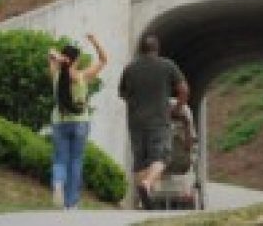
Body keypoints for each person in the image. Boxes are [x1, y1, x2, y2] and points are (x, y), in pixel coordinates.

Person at [119, 34, 189, 210]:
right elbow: (184, 89)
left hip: (135, 121)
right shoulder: (167, 65)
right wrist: (178, 108)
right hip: (159, 120)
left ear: (141, 49)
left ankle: (143, 202)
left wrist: (137, 102)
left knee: (140, 160)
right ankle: (147, 184)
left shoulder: (130, 68)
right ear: (157, 49)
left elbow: (122, 93)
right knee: (162, 157)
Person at [48, 33, 107, 210]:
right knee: (76, 161)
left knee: (60, 159)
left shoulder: (56, 76)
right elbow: (104, 60)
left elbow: (50, 53)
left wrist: (59, 59)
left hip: (59, 122)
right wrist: (95, 41)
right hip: (80, 123)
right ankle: (71, 203)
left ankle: (58, 183)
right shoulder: (82, 76)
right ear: (75, 61)